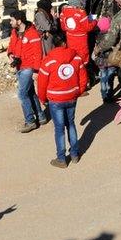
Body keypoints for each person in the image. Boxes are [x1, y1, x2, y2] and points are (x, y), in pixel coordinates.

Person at [37, 33, 87, 168]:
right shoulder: (76, 58)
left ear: (54, 46)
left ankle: (61, 158)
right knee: (71, 124)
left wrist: (42, 98)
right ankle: (75, 154)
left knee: (59, 129)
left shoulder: (48, 61)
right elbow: (83, 77)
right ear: (65, 44)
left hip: (55, 98)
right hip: (71, 96)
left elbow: (41, 83)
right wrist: (78, 91)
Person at [8, 11, 48, 133]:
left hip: (29, 68)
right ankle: (41, 116)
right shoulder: (15, 32)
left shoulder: (33, 34)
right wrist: (10, 54)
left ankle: (30, 121)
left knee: (22, 94)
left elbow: (38, 53)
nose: (10, 22)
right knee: (30, 92)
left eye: (12, 20)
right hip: (19, 66)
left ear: (19, 21)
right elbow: (11, 45)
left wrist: (36, 70)